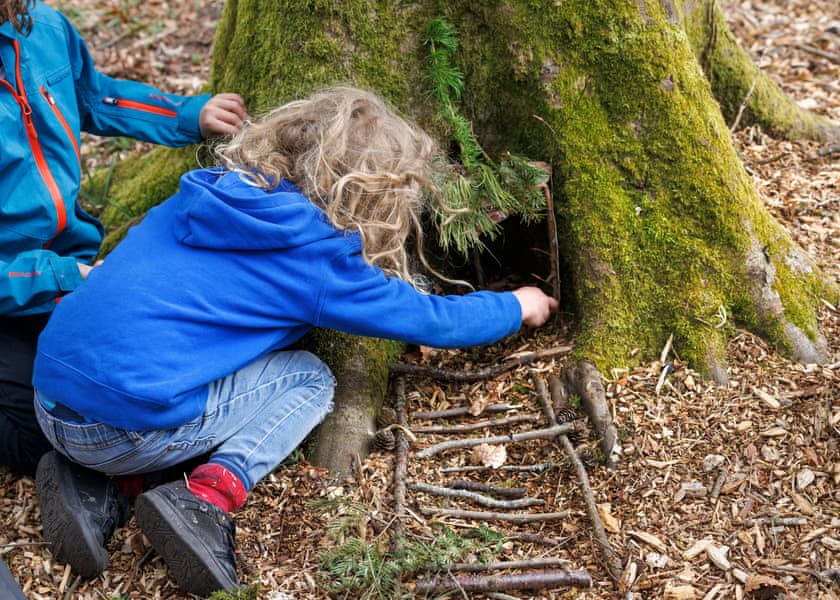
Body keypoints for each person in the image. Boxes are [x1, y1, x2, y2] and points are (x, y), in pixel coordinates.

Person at [32, 86, 558, 596]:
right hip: (121, 427)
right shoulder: (318, 259)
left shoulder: (208, 191)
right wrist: (515, 305)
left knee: (163, 372)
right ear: (373, 194)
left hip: (50, 391)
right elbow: (431, 319)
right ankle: (206, 498)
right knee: (307, 378)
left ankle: (102, 485)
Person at [1, 0, 247, 579]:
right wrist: (60, 277)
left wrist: (189, 115)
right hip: (20, 286)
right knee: (30, 420)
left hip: (69, 265)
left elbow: (93, 95)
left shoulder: (41, 27)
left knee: (127, 377)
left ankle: (127, 480)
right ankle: (99, 483)